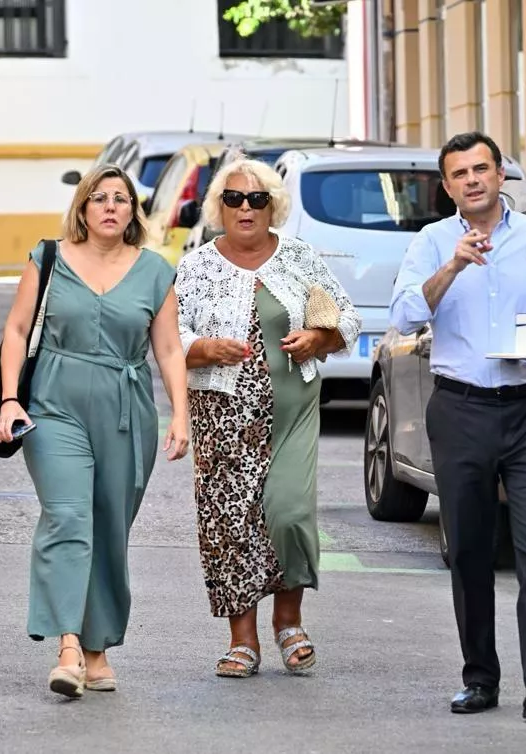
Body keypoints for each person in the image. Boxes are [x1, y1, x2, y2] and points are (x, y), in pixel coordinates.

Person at [390, 132, 526, 719]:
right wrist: (453, 264)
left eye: (482, 168)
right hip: (461, 410)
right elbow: (405, 314)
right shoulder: (431, 242)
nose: (473, 179)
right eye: (460, 173)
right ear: (447, 186)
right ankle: (480, 677)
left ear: (502, 174)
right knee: (472, 550)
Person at [0, 164, 190, 698]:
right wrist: (10, 398)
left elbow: (169, 348)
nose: (110, 206)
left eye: (121, 199)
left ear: (133, 211)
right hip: (53, 403)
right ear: (82, 208)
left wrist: (180, 412)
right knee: (67, 516)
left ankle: (98, 647)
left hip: (126, 408)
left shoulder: (154, 270)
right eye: (99, 198)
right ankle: (67, 647)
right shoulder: (50, 258)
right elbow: (16, 329)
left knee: (108, 525)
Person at [175, 157, 360, 678]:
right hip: (221, 412)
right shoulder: (197, 266)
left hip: (290, 410)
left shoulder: (299, 256)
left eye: (257, 199)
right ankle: (242, 639)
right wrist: (206, 347)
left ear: (273, 206)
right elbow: (170, 338)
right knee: (230, 524)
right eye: (234, 199)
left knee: (289, 512)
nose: (246, 208)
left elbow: (346, 316)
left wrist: (318, 338)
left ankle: (289, 620)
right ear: (219, 208)